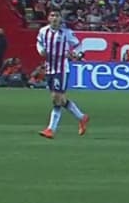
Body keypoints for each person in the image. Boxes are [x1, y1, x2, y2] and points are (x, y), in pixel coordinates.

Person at [35, 11, 89, 139]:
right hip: (49, 68)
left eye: (57, 16)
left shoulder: (66, 33)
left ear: (60, 19)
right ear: (48, 18)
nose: (54, 18)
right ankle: (82, 117)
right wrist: (41, 50)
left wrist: (76, 54)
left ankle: (51, 129)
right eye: (52, 15)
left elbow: (78, 45)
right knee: (62, 100)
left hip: (62, 69)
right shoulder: (43, 31)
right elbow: (39, 43)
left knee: (56, 98)